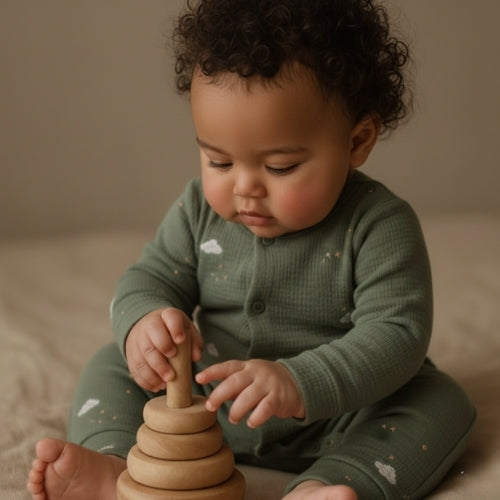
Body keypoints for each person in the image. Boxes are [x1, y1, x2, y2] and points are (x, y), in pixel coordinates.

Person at [27, 1, 476, 499]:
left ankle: (332, 483)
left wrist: (298, 380)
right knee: (110, 364)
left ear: (358, 141)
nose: (245, 189)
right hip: (203, 407)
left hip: (336, 418)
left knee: (440, 401)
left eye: (280, 167)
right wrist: (146, 323)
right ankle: (118, 468)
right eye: (218, 160)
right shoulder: (198, 210)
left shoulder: (378, 225)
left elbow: (397, 335)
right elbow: (149, 276)